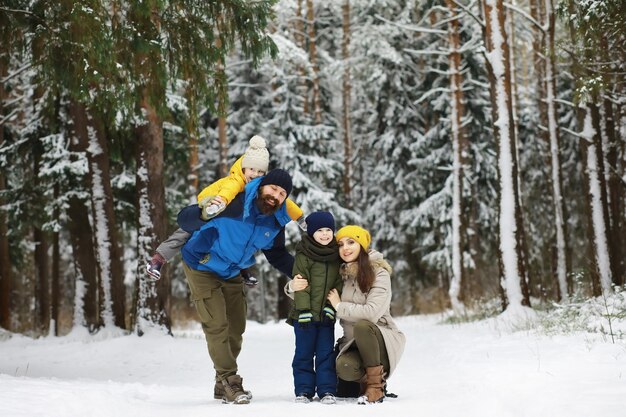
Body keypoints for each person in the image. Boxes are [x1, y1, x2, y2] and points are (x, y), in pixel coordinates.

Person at [179, 168, 296, 405]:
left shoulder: (275, 221)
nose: (276, 195)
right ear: (262, 185)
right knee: (217, 324)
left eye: (282, 193)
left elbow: (277, 255)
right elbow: (184, 218)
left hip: (232, 270)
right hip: (202, 265)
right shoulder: (234, 202)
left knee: (236, 327)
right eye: (273, 188)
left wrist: (304, 274)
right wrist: (204, 214)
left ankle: (221, 382)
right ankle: (230, 380)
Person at [145, 136, 305, 281]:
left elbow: (286, 203)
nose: (255, 174)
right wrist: (218, 203)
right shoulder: (236, 181)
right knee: (185, 232)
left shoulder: (261, 187)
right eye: (252, 170)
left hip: (223, 209)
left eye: (260, 172)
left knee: (244, 236)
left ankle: (243, 271)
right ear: (243, 168)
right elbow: (228, 192)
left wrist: (300, 218)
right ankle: (159, 258)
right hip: (212, 204)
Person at [289, 225, 405, 404]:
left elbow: (372, 313)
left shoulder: (379, 273)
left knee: (363, 325)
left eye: (351, 242)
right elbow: (318, 291)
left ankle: (376, 386)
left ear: (362, 245)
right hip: (352, 344)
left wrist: (339, 305)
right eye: (341, 244)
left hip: (379, 339)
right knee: (342, 370)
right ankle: (362, 383)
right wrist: (291, 287)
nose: (345, 248)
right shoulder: (343, 273)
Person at [287, 211, 343, 405]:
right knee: (303, 353)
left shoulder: (336, 255)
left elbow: (338, 284)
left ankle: (327, 389)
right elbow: (301, 283)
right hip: (304, 318)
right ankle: (303, 390)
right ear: (311, 232)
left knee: (325, 353)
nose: (325, 234)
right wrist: (303, 311)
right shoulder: (304, 254)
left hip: (325, 317)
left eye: (329, 230)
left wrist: (330, 308)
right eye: (320, 230)